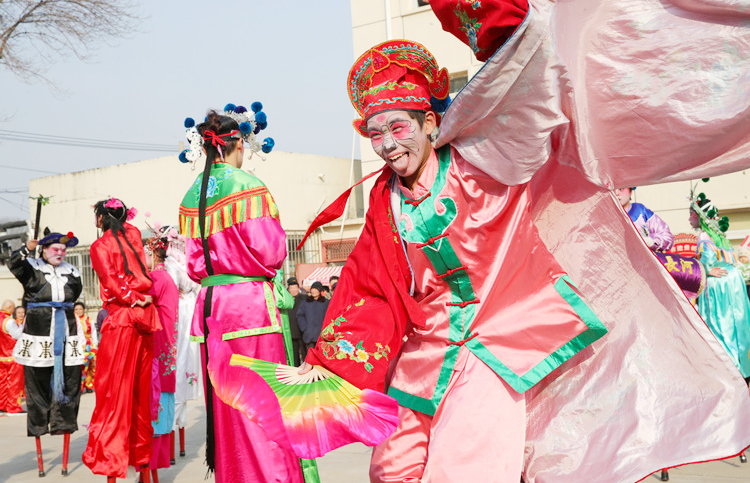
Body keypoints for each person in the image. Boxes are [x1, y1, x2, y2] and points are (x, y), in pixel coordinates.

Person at [294, 1, 750, 481]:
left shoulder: (485, 161)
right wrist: (326, 362)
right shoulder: (384, 203)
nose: (388, 144)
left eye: (398, 127)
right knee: (391, 469)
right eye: (375, 133)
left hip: (495, 348)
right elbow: (368, 291)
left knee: (464, 470)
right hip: (424, 358)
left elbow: (528, 62)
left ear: (430, 124)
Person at [178, 105, 305, 482]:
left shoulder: (191, 196)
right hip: (249, 307)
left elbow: (193, 262)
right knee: (264, 406)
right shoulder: (249, 186)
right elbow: (272, 251)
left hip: (211, 309)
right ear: (237, 145)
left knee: (229, 409)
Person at [83, 198, 160, 482]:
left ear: (102, 218)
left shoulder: (100, 245)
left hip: (123, 319)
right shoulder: (135, 235)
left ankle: (112, 466)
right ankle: (141, 463)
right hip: (146, 318)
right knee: (140, 396)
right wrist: (143, 299)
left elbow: (112, 283)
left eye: (97, 216)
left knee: (112, 395)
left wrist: (134, 299)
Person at [8, 232, 84, 476]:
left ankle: (64, 423)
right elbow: (14, 264)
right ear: (43, 250)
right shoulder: (32, 267)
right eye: (54, 249)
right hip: (39, 334)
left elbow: (75, 296)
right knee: (37, 386)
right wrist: (25, 249)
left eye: (63, 250)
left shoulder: (73, 271)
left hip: (67, 332)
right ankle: (39, 426)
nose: (60, 253)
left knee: (70, 383)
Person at [689, 193, 750, 380]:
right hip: (733, 279)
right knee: (738, 321)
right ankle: (744, 367)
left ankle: (727, 369)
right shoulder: (719, 234)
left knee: (720, 325)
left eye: (691, 213)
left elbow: (707, 261)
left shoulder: (704, 236)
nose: (689, 218)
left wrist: (704, 270)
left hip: (719, 284)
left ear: (699, 216)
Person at [163, 227, 200, 460]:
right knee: (174, 364)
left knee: (188, 362)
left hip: (189, 312)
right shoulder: (168, 265)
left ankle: (181, 426)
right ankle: (170, 429)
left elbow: (196, 285)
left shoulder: (188, 263)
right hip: (176, 314)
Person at [145, 230, 178, 478]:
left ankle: (149, 466)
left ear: (153, 252)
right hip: (166, 345)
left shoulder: (155, 278)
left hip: (157, 345)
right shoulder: (166, 276)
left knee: (153, 404)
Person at [615, 187, 674, 252]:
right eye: (612, 190)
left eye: (621, 188)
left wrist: (650, 241)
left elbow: (667, 238)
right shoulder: (604, 215)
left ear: (631, 191)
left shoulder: (641, 210)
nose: (616, 193)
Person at [0, 300, 24, 414]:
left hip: (1, 356)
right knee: (14, 383)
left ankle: (2, 405)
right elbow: (17, 335)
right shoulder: (9, 321)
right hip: (12, 356)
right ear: (10, 308)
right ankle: (13, 407)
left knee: (2, 383)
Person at [296, 281, 330, 354]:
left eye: (316, 289)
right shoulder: (305, 302)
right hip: (309, 334)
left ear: (320, 290)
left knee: (321, 356)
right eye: (312, 289)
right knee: (310, 357)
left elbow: (330, 317)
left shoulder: (326, 302)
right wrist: (305, 328)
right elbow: (300, 316)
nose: (313, 291)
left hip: (322, 335)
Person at [75, 302, 98, 393]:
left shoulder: (89, 320)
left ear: (84, 310)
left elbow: (94, 334)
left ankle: (89, 385)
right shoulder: (73, 320)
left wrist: (94, 346)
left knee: (90, 367)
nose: (78, 311)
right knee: (78, 367)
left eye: (80, 309)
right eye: (76, 309)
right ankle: (79, 387)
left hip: (88, 346)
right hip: (76, 346)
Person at [286, 278, 306, 366]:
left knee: (305, 353)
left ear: (298, 289)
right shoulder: (286, 300)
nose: (293, 290)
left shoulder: (305, 299)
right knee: (294, 355)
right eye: (291, 288)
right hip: (291, 331)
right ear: (288, 289)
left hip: (303, 331)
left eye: (295, 288)